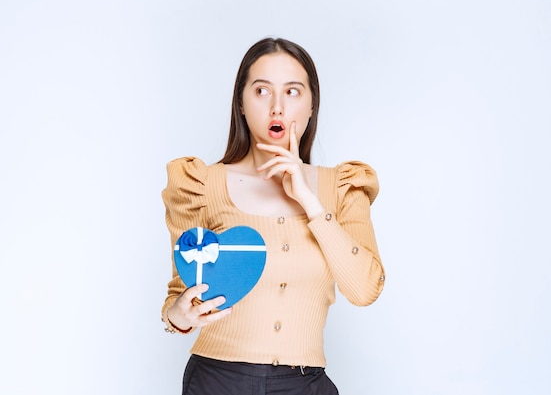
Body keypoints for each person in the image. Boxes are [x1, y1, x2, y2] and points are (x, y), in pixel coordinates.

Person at [161, 37, 386, 395]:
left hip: (306, 384)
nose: (277, 107)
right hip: (217, 381)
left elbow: (363, 290)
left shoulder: (344, 186)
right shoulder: (199, 184)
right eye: (262, 91)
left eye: (293, 92)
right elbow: (179, 292)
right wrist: (179, 317)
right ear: (242, 104)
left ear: (313, 105)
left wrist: (310, 202)